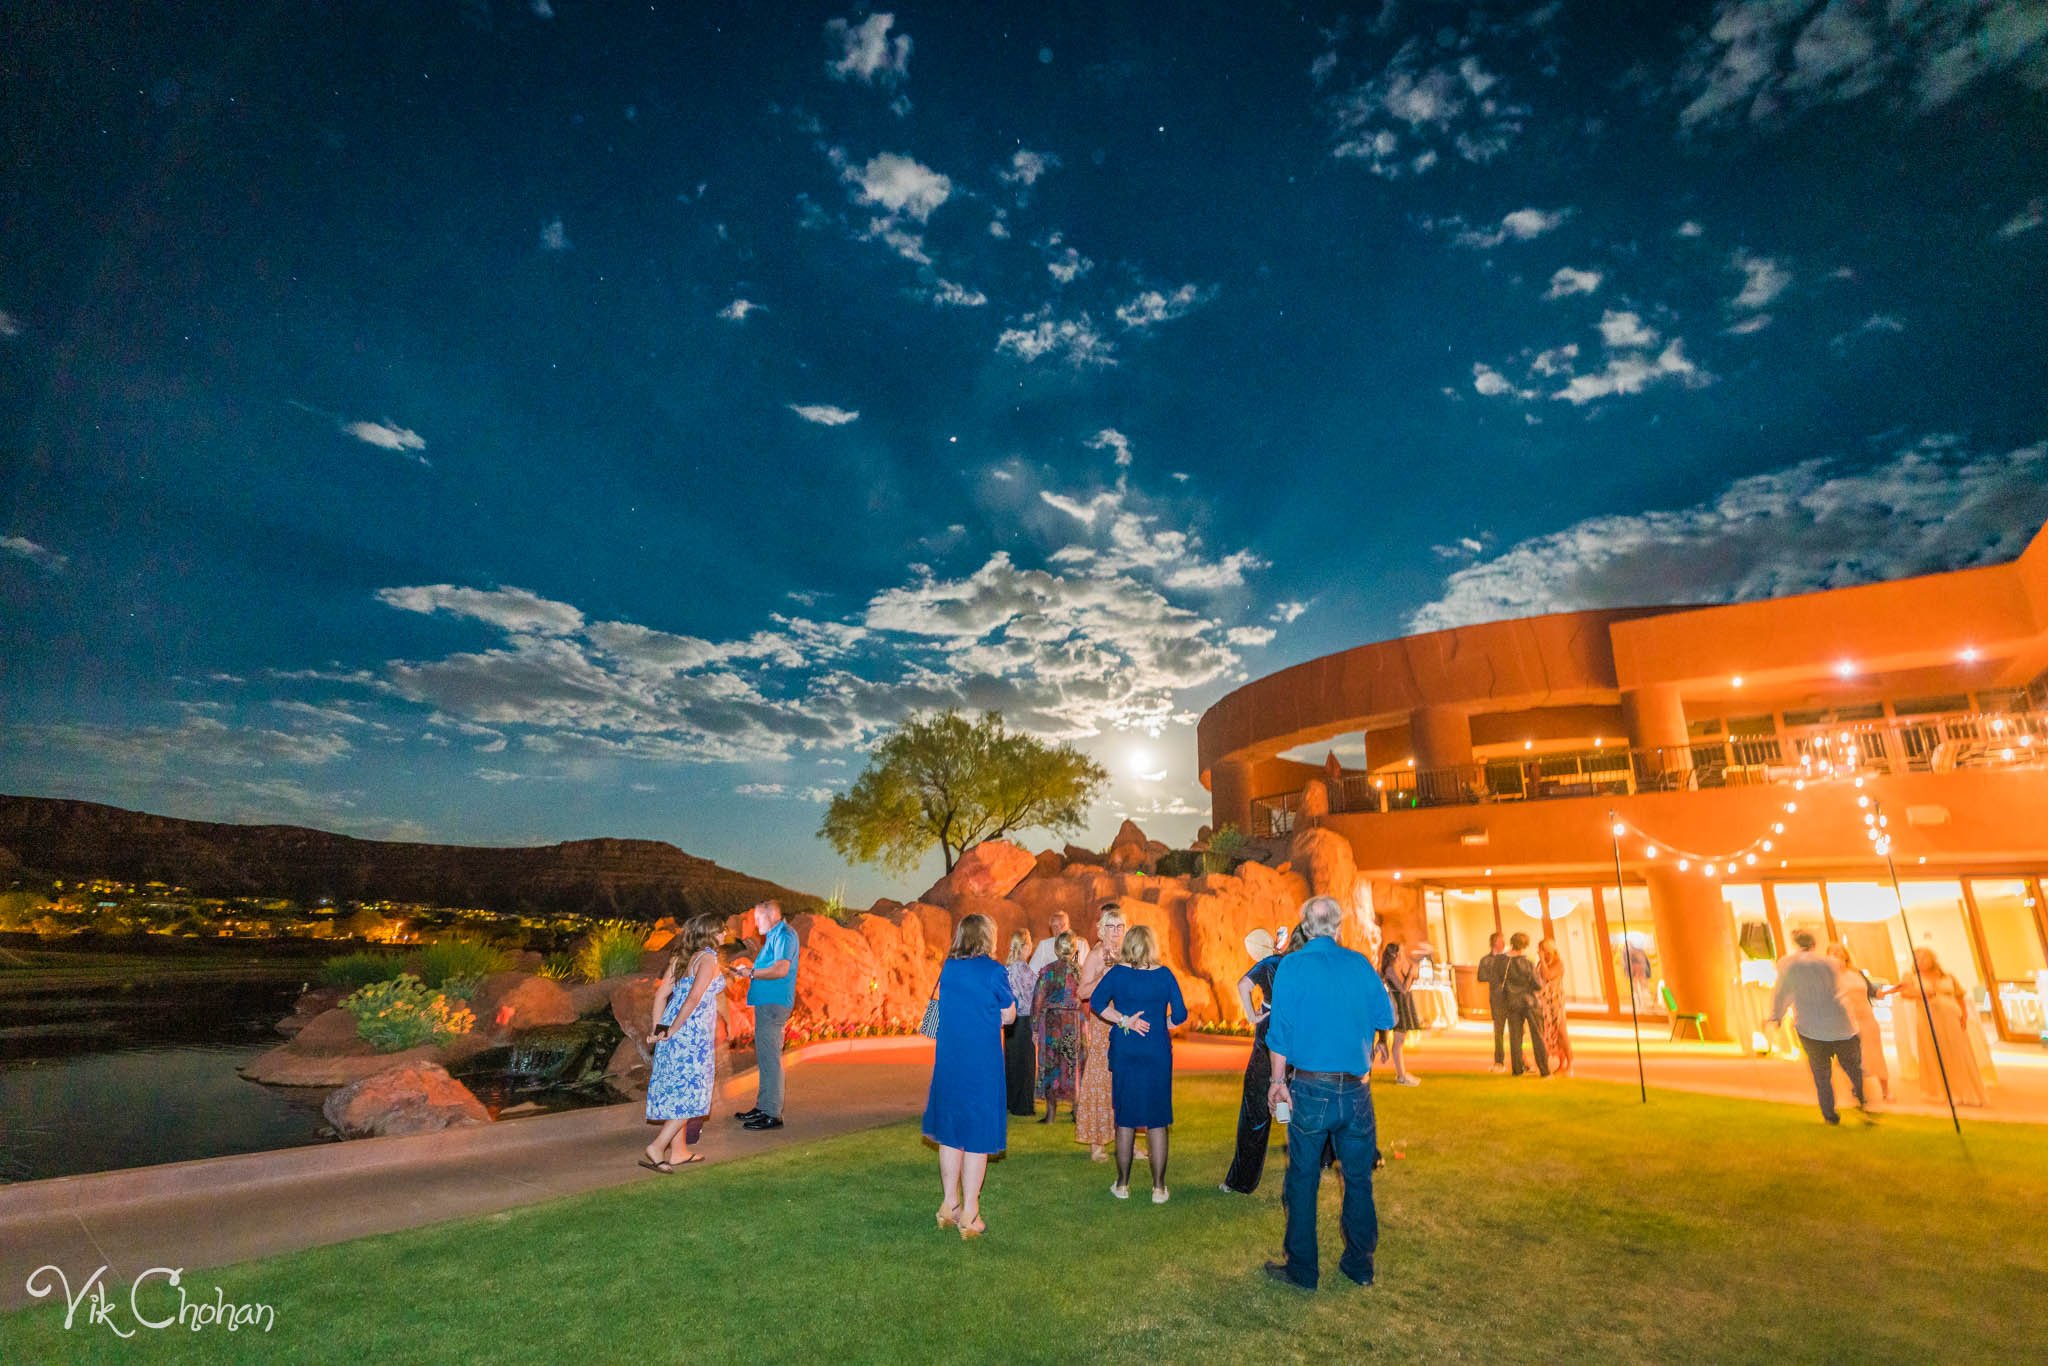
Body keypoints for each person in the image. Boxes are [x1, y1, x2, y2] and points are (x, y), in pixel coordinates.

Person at [1262, 895, 1396, 1291]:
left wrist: (1276, 1082)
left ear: (1305, 928)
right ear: (1339, 929)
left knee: (1303, 1178)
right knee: (1358, 1179)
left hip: (1309, 1087)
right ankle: (1360, 1265)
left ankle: (1303, 1269)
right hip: (1356, 1091)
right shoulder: (1359, 964)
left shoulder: (1293, 966)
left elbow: (1280, 1033)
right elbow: (1385, 1016)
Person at [922, 914, 1017, 1239]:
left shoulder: (949, 968)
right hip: (981, 1064)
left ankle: (949, 1205)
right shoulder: (994, 971)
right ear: (987, 937)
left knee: (951, 1132)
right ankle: (970, 1214)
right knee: (977, 1133)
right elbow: (1009, 1014)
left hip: (950, 1060)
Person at [1088, 924, 1189, 1202]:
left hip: (1125, 1051)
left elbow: (1096, 1003)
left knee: (1125, 1119)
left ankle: (1122, 1184)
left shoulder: (1117, 974)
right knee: (1157, 1120)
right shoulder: (1165, 975)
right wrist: (1161, 1024)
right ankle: (1158, 1188)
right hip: (1157, 1051)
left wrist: (1123, 1020)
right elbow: (1180, 1014)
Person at [641, 914, 727, 1172]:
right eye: (721, 930)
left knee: (678, 1091)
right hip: (691, 1035)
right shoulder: (709, 958)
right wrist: (672, 1031)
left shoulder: (681, 957)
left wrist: (660, 1030)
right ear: (710, 932)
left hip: (672, 1027)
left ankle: (678, 1151)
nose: (725, 934)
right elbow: (693, 999)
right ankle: (658, 1147)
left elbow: (660, 996)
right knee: (693, 1094)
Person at [1765, 930, 1868, 1125]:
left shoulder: (1788, 964)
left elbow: (1782, 992)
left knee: (1821, 1073)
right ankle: (1863, 1100)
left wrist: (1776, 1016)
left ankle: (1830, 1115)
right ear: (1813, 944)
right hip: (1839, 1023)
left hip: (1809, 1025)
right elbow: (1839, 990)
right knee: (1852, 1067)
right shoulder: (1829, 963)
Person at [1221, 928, 1283, 1194]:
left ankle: (1242, 1180)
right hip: (1301, 1035)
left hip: (1269, 1033)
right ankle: (1324, 1158)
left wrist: (1251, 1015)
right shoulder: (1296, 963)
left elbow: (1243, 985)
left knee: (1255, 1108)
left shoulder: (1268, 964)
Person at [732, 900, 799, 1130]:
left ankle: (772, 1114)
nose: (754, 922)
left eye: (758, 918)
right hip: (767, 1004)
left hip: (774, 1004)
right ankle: (763, 1107)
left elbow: (781, 969)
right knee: (765, 1059)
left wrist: (751, 972)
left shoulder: (785, 936)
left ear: (771, 916)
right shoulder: (774, 936)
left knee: (770, 1060)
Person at [1895, 947, 1988, 1107]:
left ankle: (1964, 1091)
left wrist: (1963, 1015)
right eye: (1917, 958)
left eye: (1925, 957)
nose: (1921, 961)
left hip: (1951, 1015)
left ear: (1932, 959)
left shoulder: (1947, 976)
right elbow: (1904, 994)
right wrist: (1921, 995)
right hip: (1928, 1018)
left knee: (1958, 1052)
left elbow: (1959, 996)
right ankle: (1943, 1091)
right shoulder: (1912, 977)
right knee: (1936, 1052)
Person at [1074, 905, 1124, 1161]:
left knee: (1123, 1082)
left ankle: (1124, 1140)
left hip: (1126, 1023)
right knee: (1099, 1078)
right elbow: (1082, 992)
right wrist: (1103, 976)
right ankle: (1097, 1143)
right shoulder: (1096, 955)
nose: (1115, 932)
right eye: (1110, 927)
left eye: (1120, 927)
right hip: (1103, 1023)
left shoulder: (1127, 953)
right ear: (1101, 929)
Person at [1826, 942, 1891, 1103]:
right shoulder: (1828, 978)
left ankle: (1885, 1089)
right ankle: (1858, 1089)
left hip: (1867, 1018)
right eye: (1833, 953)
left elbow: (1874, 992)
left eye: (1840, 953)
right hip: (1846, 1021)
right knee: (1853, 1057)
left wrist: (1891, 991)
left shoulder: (1857, 973)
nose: (1837, 956)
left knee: (1874, 1054)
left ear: (1846, 955)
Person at [1032, 931, 1084, 1123]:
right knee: (1074, 1065)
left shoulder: (1048, 971)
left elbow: (1037, 1001)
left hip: (1052, 1023)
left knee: (1050, 1066)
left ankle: (1051, 1114)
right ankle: (1077, 1112)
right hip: (1075, 1023)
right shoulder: (1080, 971)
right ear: (1074, 948)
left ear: (1056, 948)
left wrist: (1035, 1028)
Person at [1501, 933, 1550, 1077]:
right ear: (1525, 945)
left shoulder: (1505, 963)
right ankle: (1544, 1070)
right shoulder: (1528, 963)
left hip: (1512, 1003)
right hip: (1530, 1002)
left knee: (1515, 1037)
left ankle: (1517, 1070)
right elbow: (1537, 984)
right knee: (1537, 1036)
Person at [1003, 929, 1039, 1117]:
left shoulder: (1008, 968)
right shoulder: (1024, 970)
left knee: (1011, 1061)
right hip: (1024, 1020)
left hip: (1010, 1021)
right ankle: (1023, 1106)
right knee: (1025, 1064)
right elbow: (1033, 997)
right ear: (1025, 946)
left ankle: (1010, 1101)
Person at [1377, 942, 1421, 1086]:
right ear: (1395, 954)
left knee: (1400, 1041)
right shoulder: (1390, 969)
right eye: (1401, 951)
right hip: (1399, 1006)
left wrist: (1412, 972)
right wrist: (1410, 974)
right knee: (1398, 1042)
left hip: (1404, 1004)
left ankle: (1402, 1073)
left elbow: (1407, 985)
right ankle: (1401, 1076)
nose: (1403, 953)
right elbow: (1403, 989)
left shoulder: (1396, 966)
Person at [1536, 937, 1574, 1076]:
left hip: (1556, 1001)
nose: (1543, 953)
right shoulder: (1541, 963)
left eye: (1545, 950)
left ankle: (1570, 1063)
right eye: (1541, 950)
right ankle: (1561, 1064)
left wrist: (1542, 961)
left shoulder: (1558, 963)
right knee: (1552, 1034)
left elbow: (1547, 976)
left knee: (1562, 1033)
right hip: (1545, 1002)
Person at [1476, 933, 1510, 1072]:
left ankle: (1522, 1059)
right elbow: (1481, 976)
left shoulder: (1509, 958)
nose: (1503, 943)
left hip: (1511, 998)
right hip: (1497, 999)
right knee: (1499, 1031)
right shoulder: (1486, 960)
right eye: (1500, 941)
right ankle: (1499, 1061)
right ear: (1494, 943)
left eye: (1503, 940)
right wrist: (1495, 976)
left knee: (1518, 1032)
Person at [1027, 910, 1087, 977]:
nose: (1059, 930)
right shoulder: (1044, 945)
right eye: (1055, 926)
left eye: (1062, 925)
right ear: (1051, 929)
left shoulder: (1081, 944)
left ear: (1069, 926)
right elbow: (1031, 971)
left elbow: (1089, 971)